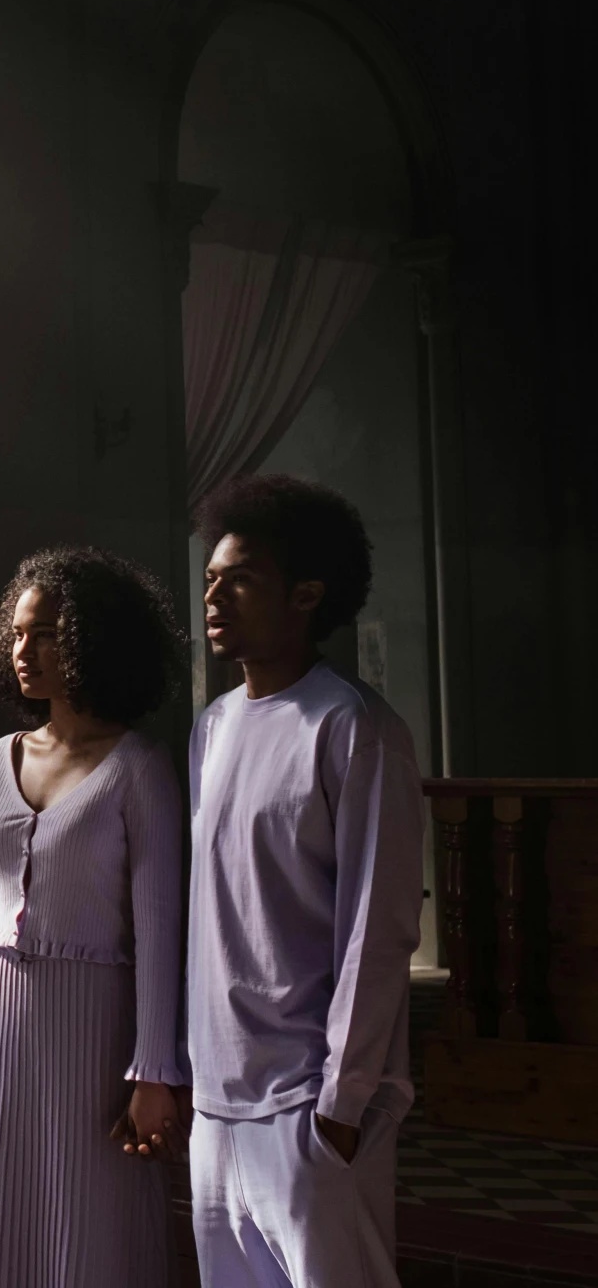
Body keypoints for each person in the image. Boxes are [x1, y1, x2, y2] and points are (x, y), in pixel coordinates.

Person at [0, 546, 188, 1288]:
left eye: (48, 635)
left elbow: (160, 927)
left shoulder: (139, 766)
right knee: (6, 1212)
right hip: (2, 1026)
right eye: (18, 633)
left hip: (96, 1028)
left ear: (95, 640)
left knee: (92, 1222)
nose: (25, 650)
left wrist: (155, 1072)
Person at [187, 475, 422, 1288]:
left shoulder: (355, 726)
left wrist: (342, 1102)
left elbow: (378, 924)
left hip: (307, 1105)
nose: (213, 592)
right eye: (211, 576)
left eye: (239, 578)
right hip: (216, 1107)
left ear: (305, 595)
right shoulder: (211, 728)